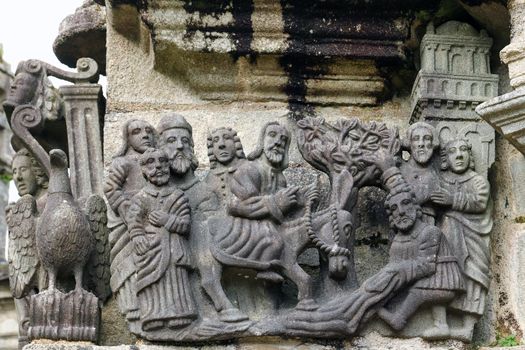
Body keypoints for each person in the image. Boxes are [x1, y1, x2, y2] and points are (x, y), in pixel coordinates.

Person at [126, 148, 197, 331]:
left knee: (176, 281)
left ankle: (180, 314)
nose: (158, 166)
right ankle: (152, 316)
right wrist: (137, 236)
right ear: (143, 170)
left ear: (169, 166)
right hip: (151, 249)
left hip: (174, 249)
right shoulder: (141, 198)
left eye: (163, 162)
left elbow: (185, 224)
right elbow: (133, 221)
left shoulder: (177, 196)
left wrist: (168, 220)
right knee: (152, 283)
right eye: (151, 162)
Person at [431, 139, 493, 341]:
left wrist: (452, 200)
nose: (458, 155)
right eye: (452, 151)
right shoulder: (440, 179)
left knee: (473, 276)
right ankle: (441, 322)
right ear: (445, 159)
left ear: (470, 156)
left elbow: (480, 202)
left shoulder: (477, 181)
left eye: (464, 150)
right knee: (442, 272)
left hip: (474, 236)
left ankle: (467, 327)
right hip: (448, 237)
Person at [104, 119, 156, 321]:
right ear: (127, 139)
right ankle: (132, 306)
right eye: (137, 131)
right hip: (127, 221)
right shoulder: (123, 162)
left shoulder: (158, 161)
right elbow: (110, 188)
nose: (145, 135)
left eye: (148, 131)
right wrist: (127, 210)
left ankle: (153, 304)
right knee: (127, 262)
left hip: (152, 217)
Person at [7, 149, 49, 348]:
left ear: (38, 171)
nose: (17, 177)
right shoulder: (21, 208)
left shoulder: (50, 201)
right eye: (14, 171)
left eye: (23, 169)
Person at [400, 122, 441, 225]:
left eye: (427, 138)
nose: (421, 144)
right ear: (409, 144)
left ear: (433, 143)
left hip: (428, 226)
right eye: (416, 139)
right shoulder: (400, 169)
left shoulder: (435, 174)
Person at [204, 127, 246, 207]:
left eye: (227, 138)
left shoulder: (248, 169)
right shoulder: (209, 178)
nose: (221, 144)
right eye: (216, 141)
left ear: (235, 144)